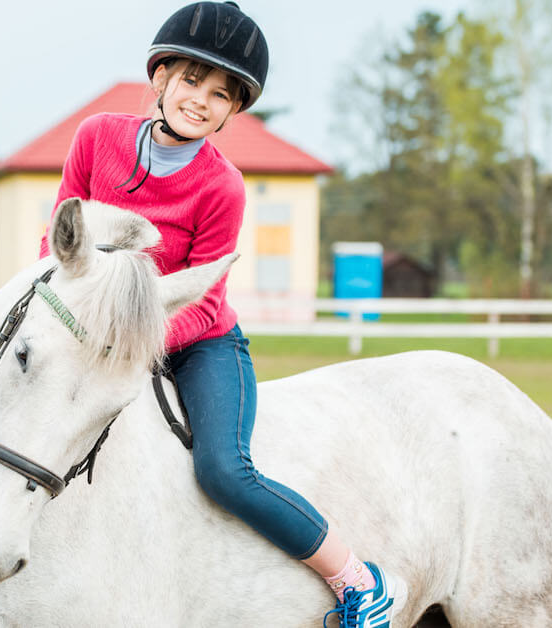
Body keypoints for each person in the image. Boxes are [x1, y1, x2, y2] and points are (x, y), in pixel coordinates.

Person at [38, 3, 406, 625]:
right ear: (159, 79)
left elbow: (204, 297)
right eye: (191, 81)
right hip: (94, 333)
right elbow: (58, 244)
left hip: (200, 342)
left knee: (222, 472)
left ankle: (355, 579)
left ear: (234, 110)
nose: (201, 101)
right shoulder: (95, 138)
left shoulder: (222, 186)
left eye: (222, 94)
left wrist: (129, 349)